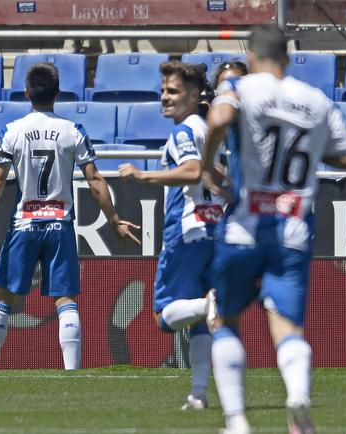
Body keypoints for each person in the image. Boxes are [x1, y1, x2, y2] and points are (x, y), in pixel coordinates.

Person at [202, 25, 346, 434]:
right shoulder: (316, 100)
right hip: (294, 230)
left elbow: (220, 118)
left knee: (226, 320)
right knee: (288, 328)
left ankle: (236, 420)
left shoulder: (240, 87)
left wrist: (208, 165)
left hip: (245, 226)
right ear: (286, 56)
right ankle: (298, 394)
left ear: (251, 55)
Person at [0, 62, 140, 371]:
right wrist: (113, 219)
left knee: (3, 298)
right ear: (58, 93)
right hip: (60, 224)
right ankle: (71, 373)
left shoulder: (12, 131)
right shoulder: (73, 131)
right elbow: (95, 179)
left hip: (24, 224)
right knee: (65, 298)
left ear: (26, 93)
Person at [118, 60, 223, 410]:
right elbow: (217, 175)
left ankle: (209, 303)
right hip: (213, 228)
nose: (164, 97)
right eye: (163, 90)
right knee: (200, 325)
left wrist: (143, 176)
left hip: (186, 229)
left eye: (173, 91)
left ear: (193, 96)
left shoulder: (183, 132)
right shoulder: (208, 130)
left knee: (163, 318)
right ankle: (198, 394)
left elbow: (192, 171)